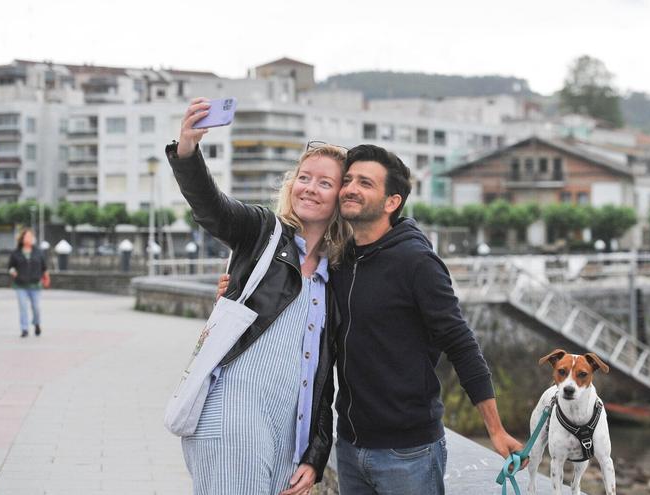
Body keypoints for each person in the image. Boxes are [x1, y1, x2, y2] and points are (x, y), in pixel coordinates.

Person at [216, 144, 524, 494]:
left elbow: (461, 344)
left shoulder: (417, 262)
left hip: (408, 452)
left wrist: (495, 430)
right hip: (349, 448)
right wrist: (236, 287)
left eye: (365, 183)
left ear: (391, 202)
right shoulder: (340, 259)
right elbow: (298, 310)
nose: (349, 189)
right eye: (347, 180)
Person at [167, 97, 350, 495]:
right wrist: (187, 150)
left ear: (341, 197)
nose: (310, 188)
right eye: (304, 177)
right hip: (232, 417)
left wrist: (316, 455)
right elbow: (212, 208)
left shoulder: (334, 276)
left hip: (284, 433)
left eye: (325, 182)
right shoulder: (263, 232)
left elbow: (323, 377)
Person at [8, 228, 49, 338]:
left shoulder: (38, 252)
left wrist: (46, 278)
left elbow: (44, 268)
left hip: (35, 285)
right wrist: (13, 272)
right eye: (27, 236)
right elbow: (10, 267)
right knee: (23, 307)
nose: (29, 239)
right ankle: (24, 329)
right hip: (20, 285)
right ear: (22, 239)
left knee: (36, 307)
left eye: (31, 237)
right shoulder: (15, 253)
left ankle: (36, 323)